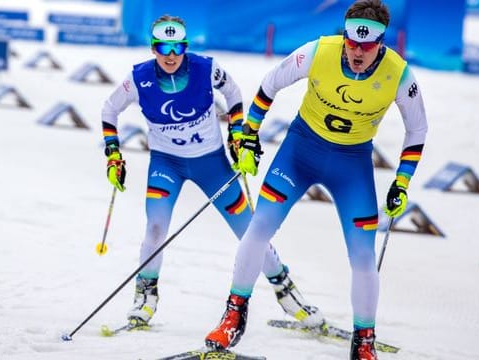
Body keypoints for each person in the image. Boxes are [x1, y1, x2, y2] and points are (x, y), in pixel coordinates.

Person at [205, 0, 428, 359]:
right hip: (299, 153)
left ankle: (364, 340)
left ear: (381, 43)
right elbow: (269, 85)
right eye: (351, 42)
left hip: (351, 166)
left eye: (366, 46)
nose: (356, 52)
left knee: (362, 257)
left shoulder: (399, 74)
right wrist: (248, 135)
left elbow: (417, 129)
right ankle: (234, 314)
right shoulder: (319, 51)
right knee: (258, 228)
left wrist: (402, 180)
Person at [101, 15, 324, 331]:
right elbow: (109, 110)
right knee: (155, 227)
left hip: (212, 166)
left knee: (249, 232)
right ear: (153, 48)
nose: (170, 55)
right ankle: (145, 296)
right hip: (167, 164)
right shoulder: (138, 79)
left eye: (176, 47)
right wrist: (113, 154)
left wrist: (237, 132)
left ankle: (286, 290)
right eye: (162, 46)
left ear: (185, 47)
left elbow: (233, 92)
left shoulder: (206, 68)